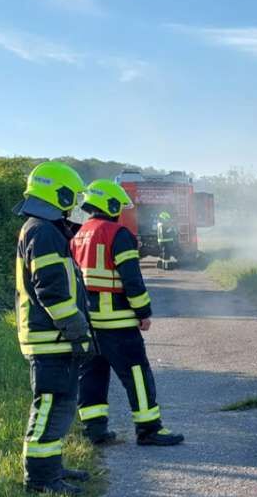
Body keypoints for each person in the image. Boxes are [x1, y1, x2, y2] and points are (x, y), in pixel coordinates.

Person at [71, 180, 185, 447]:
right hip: (118, 323)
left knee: (92, 376)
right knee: (137, 375)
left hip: (88, 324)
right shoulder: (118, 234)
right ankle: (148, 430)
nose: (120, 211)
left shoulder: (77, 235)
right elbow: (132, 280)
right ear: (110, 205)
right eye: (118, 206)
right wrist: (143, 311)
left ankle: (94, 430)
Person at [14, 161, 93, 494]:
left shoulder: (46, 229)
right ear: (57, 194)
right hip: (51, 339)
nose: (75, 206)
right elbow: (52, 290)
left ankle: (52, 468)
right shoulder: (43, 231)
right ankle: (41, 480)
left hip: (54, 338)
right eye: (71, 198)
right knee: (49, 406)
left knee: (60, 406)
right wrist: (77, 329)